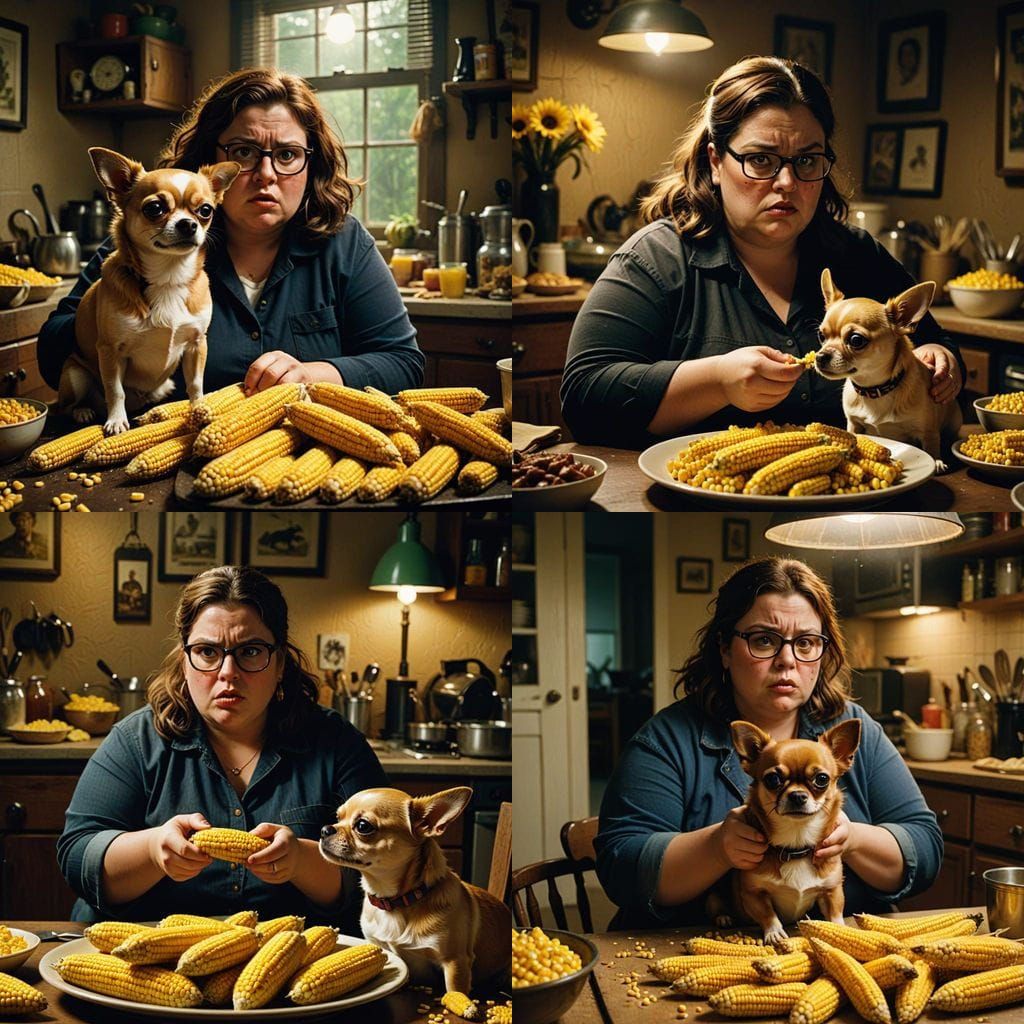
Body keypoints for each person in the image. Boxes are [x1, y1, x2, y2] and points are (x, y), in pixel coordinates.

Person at [560, 57, 963, 449]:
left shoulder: (857, 254)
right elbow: (584, 396)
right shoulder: (655, 259)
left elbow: (934, 341)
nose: (787, 181)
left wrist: (942, 359)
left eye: (806, 160)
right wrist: (717, 381)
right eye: (760, 159)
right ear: (715, 162)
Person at [594, 556, 942, 931]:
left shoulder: (854, 730)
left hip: (842, 947)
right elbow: (620, 868)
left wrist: (853, 838)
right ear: (724, 648)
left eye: (806, 642)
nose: (787, 660)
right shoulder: (668, 739)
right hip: (707, 947)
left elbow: (925, 850)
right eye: (763, 640)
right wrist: (717, 847)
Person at [39, 67, 424, 402]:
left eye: (287, 155)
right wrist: (114, 314)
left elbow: (404, 364)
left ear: (311, 164)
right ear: (211, 159)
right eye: (243, 152)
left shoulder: (345, 243)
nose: (266, 175)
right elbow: (51, 355)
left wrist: (313, 373)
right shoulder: (148, 235)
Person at [57, 565, 388, 925]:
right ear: (184, 662)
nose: (228, 672)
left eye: (250, 651)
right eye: (207, 652)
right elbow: (77, 857)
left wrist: (302, 861)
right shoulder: (135, 741)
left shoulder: (336, 743)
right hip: (147, 945)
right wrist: (152, 851)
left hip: (293, 951)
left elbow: (389, 867)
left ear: (279, 663)